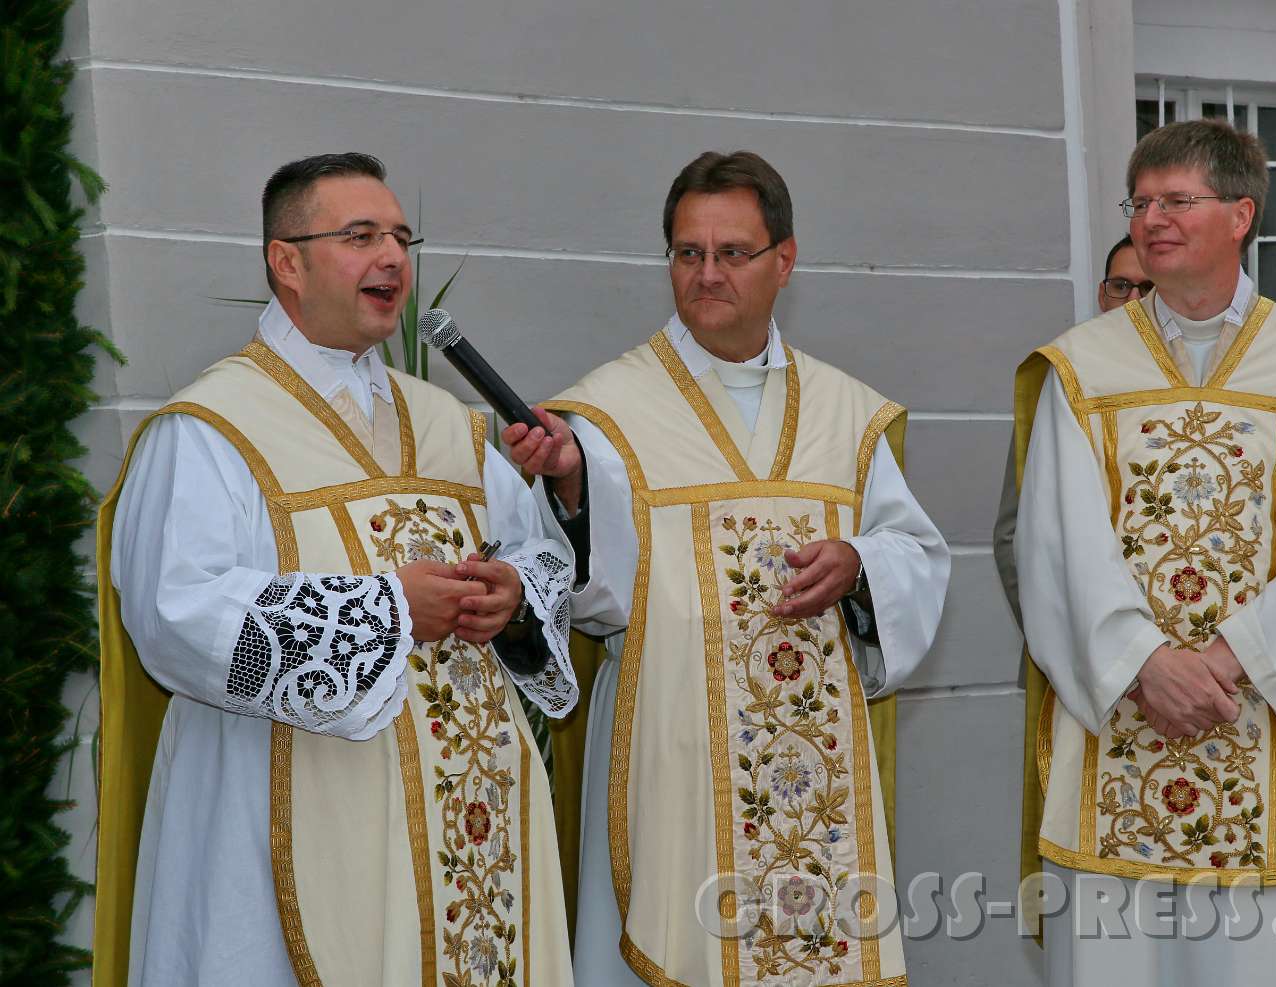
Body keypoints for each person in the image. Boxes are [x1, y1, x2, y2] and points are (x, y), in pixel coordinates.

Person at [95, 153, 577, 986]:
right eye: (360, 236)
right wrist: (389, 611)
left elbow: (535, 556)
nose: (392, 256)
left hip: (468, 833)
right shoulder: (213, 427)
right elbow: (176, 614)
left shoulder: (452, 427)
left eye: (400, 236)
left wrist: (513, 597)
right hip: (281, 819)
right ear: (287, 261)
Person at [504, 150, 950, 985]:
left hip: (818, 775)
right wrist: (570, 484)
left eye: (731, 253)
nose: (706, 274)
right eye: (687, 253)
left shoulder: (847, 413)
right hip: (673, 757)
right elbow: (587, 593)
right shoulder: (606, 410)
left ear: (784, 260)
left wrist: (859, 562)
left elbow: (918, 556)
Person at [1013, 120, 1276, 986]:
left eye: (1177, 200)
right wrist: (1145, 662)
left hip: (1254, 719)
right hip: (1117, 723)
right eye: (1141, 201)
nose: (1152, 218)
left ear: (1240, 215)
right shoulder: (1080, 370)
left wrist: (1230, 658)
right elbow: (1055, 543)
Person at [996, 234, 1152, 630]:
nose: (1132, 301)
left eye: (1148, 287)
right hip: (1078, 652)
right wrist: (1059, 637)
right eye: (1120, 287)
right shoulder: (1066, 382)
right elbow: (1014, 534)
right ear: (1103, 296)